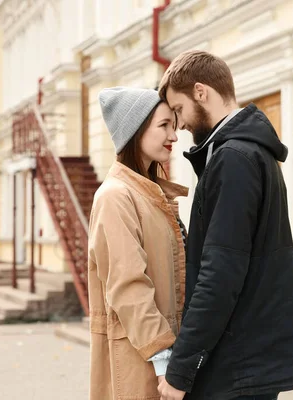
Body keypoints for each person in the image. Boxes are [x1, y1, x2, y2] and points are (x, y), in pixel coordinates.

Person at [156, 50, 293, 400]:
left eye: (179, 110)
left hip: (236, 364)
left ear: (201, 92)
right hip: (246, 358)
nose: (180, 125)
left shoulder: (234, 160)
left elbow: (220, 272)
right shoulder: (248, 152)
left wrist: (181, 369)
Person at [88, 87, 189, 400]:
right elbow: (128, 286)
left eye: (173, 125)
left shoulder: (151, 195)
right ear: (135, 130)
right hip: (140, 359)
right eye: (163, 126)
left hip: (160, 352)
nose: (174, 135)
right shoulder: (115, 197)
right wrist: (163, 358)